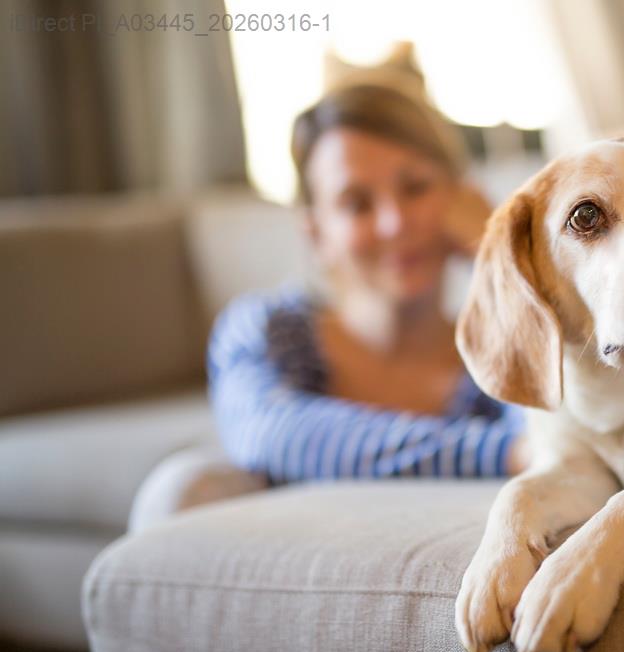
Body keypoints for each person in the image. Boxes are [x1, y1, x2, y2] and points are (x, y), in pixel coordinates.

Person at [207, 53, 526, 484]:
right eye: (356, 204)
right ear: (317, 234)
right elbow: (270, 433)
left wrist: (497, 255)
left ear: (461, 196)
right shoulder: (265, 330)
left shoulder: (497, 349)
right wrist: (506, 453)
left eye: (415, 187)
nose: (395, 223)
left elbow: (562, 425)